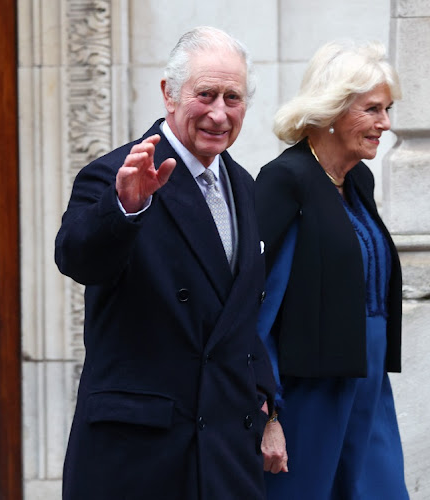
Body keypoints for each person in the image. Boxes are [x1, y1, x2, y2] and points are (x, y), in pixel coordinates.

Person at [55, 26, 276, 500]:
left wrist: (269, 410)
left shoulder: (244, 186)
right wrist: (124, 209)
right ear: (169, 95)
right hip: (140, 454)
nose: (219, 113)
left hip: (224, 452)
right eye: (206, 94)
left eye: (233, 98)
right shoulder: (118, 173)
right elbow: (76, 258)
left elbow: (239, 320)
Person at [255, 40, 409, 499]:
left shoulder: (358, 180)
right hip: (311, 396)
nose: (385, 123)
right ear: (334, 109)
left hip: (369, 384)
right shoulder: (286, 180)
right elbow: (260, 308)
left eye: (388, 109)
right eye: (372, 110)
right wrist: (269, 413)